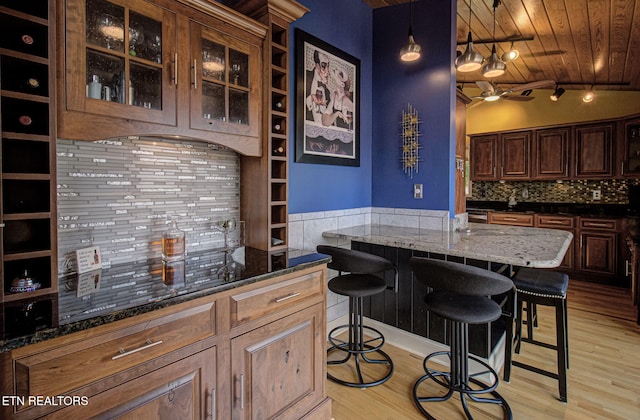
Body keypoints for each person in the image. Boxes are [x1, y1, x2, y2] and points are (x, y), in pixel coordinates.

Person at [305, 49, 331, 124]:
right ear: (317, 65)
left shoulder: (327, 90)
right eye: (323, 66)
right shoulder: (305, 76)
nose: (327, 70)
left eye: (328, 66)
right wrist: (311, 97)